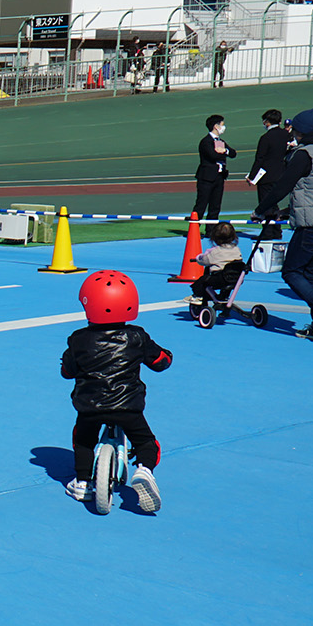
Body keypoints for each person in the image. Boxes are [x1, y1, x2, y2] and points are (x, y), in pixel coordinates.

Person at [61, 270, 173, 512]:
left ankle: (82, 482)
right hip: (128, 407)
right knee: (146, 442)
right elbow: (161, 361)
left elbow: (68, 371)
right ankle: (144, 470)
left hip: (89, 407)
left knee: (82, 441)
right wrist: (166, 358)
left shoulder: (78, 339)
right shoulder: (136, 337)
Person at [252, 108, 313, 341]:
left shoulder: (305, 154)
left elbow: (283, 185)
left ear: (301, 130)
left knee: (292, 271)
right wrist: (288, 210)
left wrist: (260, 209)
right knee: (312, 274)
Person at [186, 221, 244, 305]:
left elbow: (204, 261)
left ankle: (198, 296)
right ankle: (223, 296)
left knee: (202, 281)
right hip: (236, 278)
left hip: (219, 279)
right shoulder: (236, 249)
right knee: (227, 276)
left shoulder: (215, 252)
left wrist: (198, 258)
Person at [246, 109, 291, 213]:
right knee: (275, 202)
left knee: (266, 205)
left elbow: (260, 159)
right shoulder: (286, 135)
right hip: (282, 174)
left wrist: (252, 176)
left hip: (267, 177)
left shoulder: (266, 138)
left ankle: (269, 228)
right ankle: (276, 228)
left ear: (266, 122)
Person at [194, 115, 236, 221]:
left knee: (215, 206)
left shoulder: (220, 141)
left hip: (219, 176)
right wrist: (221, 153)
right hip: (207, 178)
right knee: (201, 204)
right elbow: (213, 155)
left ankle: (211, 230)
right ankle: (194, 228)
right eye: (222, 125)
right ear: (216, 126)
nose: (223, 127)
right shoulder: (206, 142)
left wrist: (225, 151)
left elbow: (233, 153)